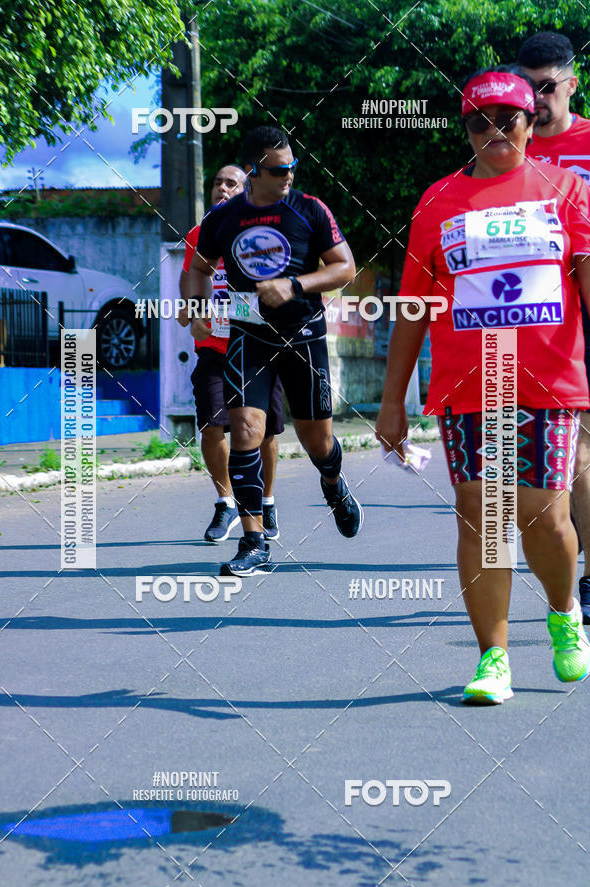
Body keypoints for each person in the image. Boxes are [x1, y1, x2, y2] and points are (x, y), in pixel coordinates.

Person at [375, 65, 590, 703]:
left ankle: (563, 611)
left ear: (530, 122)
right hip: (471, 383)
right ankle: (493, 659)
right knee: (481, 513)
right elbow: (413, 308)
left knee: (545, 517)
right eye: (479, 122)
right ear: (465, 127)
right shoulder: (438, 201)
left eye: (508, 120)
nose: (494, 131)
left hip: (550, 381)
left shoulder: (567, 190)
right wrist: (392, 403)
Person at [185, 125, 363, 576]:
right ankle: (254, 541)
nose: (289, 176)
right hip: (250, 336)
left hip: (304, 336)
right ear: (253, 171)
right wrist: (197, 306)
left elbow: (345, 267)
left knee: (317, 441)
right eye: (279, 170)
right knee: (245, 430)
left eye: (292, 167)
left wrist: (295, 285)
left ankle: (333, 483)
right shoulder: (224, 218)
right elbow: (199, 268)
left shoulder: (309, 209)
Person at [518, 31, 590, 624]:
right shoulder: (506, 148)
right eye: (528, 88)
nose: (537, 100)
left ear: (572, 83)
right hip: (536, 316)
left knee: (585, 447)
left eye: (547, 87)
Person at [179, 164, 285, 543]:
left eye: (231, 183)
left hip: (258, 347)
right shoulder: (198, 235)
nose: (222, 188)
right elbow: (188, 291)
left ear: (246, 191)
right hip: (214, 348)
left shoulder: (264, 232)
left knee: (265, 432)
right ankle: (226, 503)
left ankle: (266, 503)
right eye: (217, 182)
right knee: (211, 427)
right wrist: (192, 314)